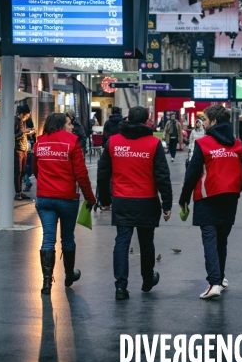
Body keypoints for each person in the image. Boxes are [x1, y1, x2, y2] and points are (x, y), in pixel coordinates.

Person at [97, 106, 173, 300]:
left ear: (128, 118)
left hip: (122, 200)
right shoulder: (154, 144)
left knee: (122, 242)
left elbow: (103, 173)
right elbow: (162, 176)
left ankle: (121, 287)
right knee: (146, 242)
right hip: (147, 200)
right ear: (147, 122)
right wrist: (167, 204)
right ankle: (148, 280)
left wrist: (105, 200)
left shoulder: (113, 142)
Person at [179, 105, 242, 299]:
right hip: (230, 198)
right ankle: (220, 278)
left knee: (210, 239)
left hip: (207, 198)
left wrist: (183, 200)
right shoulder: (236, 144)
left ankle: (214, 283)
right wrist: (235, 190)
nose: (204, 122)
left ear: (214, 122)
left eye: (206, 119)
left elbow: (192, 174)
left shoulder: (203, 144)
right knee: (221, 240)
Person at [33, 113, 96, 295]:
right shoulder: (72, 143)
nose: (72, 127)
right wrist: (90, 198)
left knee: (48, 238)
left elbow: (36, 170)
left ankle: (46, 283)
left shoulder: (40, 143)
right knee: (67, 238)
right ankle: (69, 275)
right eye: (69, 123)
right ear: (61, 124)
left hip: (44, 198)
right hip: (67, 197)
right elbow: (81, 175)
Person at [14, 104, 35, 200]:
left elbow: (23, 133)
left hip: (24, 148)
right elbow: (13, 135)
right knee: (18, 172)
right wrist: (24, 132)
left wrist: (29, 132)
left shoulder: (23, 122)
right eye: (26, 115)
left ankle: (20, 192)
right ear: (21, 114)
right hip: (17, 149)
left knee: (22, 171)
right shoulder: (15, 121)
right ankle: (18, 192)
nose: (27, 118)